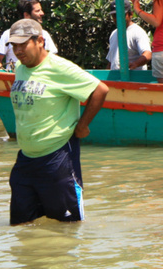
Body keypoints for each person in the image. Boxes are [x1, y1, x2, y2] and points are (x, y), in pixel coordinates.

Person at [6, 18, 109, 225]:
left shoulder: (59, 68)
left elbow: (100, 90)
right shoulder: (20, 68)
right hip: (26, 159)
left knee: (68, 228)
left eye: (23, 44)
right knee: (20, 226)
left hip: (57, 157)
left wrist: (82, 125)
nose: (18, 51)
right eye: (14, 46)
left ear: (40, 41)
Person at [0, 0, 58, 69]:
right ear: (26, 15)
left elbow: (54, 61)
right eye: (37, 11)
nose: (42, 13)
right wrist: (5, 77)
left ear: (41, 40)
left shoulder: (44, 34)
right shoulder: (8, 34)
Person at [105, 0, 152, 71]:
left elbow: (147, 54)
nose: (118, 18)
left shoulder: (137, 32)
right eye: (115, 15)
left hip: (133, 79)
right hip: (116, 79)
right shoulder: (114, 34)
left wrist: (135, 64)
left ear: (131, 14)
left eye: (122, 15)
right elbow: (111, 61)